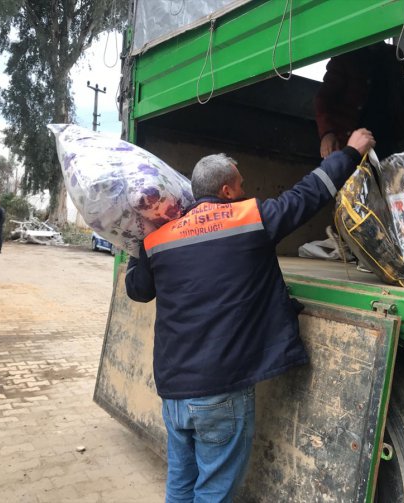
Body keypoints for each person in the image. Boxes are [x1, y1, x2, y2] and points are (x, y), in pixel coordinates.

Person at [125, 128, 374, 502]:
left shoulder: (158, 239)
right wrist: (352, 153)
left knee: (180, 483)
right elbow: (309, 194)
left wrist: (134, 244)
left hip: (173, 392)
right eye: (241, 184)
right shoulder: (251, 218)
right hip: (218, 393)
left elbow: (138, 290)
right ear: (226, 191)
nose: (245, 190)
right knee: (214, 492)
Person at [314, 42, 404, 160]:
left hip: (388, 140)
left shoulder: (393, 55)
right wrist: (327, 133)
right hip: (353, 140)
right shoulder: (346, 55)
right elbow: (323, 100)